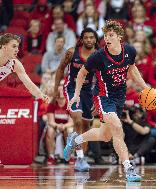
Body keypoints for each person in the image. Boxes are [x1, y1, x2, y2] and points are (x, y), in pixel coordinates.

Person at [65, 20, 149, 182]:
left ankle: (75, 139)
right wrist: (76, 94)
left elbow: (132, 68)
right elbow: (82, 73)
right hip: (103, 97)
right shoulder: (98, 56)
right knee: (117, 128)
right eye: (105, 35)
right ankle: (129, 168)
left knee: (105, 135)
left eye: (111, 35)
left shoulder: (130, 51)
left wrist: (144, 87)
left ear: (119, 37)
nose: (107, 38)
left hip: (119, 96)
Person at [53, 28, 99, 172]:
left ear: (96, 40)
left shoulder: (98, 55)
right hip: (72, 87)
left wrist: (97, 99)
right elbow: (60, 69)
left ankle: (81, 156)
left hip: (88, 91)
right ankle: (79, 157)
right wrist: (55, 89)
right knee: (77, 120)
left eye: (92, 37)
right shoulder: (72, 52)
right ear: (81, 39)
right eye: (86, 38)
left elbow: (102, 79)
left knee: (86, 126)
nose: (89, 40)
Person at [0, 33, 49, 102]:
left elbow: (29, 84)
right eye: (14, 46)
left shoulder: (15, 64)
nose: (17, 50)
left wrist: (40, 94)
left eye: (17, 47)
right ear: (4, 47)